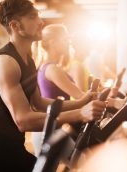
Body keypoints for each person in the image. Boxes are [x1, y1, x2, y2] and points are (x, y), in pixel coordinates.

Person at [0, 0, 106, 172]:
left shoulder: (27, 60)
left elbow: (39, 103)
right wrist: (80, 114)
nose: (41, 22)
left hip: (15, 151)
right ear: (15, 26)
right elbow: (23, 121)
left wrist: (81, 102)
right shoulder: (5, 63)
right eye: (32, 17)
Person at [31, 24, 90, 155]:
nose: (68, 43)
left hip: (52, 127)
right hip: (50, 130)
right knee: (83, 163)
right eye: (64, 40)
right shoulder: (53, 69)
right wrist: (112, 100)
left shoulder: (47, 67)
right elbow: (81, 96)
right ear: (53, 43)